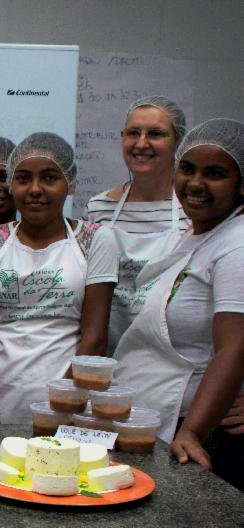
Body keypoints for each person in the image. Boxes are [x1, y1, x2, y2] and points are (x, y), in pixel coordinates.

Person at [114, 119, 244, 491]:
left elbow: (233, 347)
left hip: (204, 437)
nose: (196, 183)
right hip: (163, 422)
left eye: (215, 173)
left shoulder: (237, 244)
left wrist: (193, 433)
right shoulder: (194, 236)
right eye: (187, 169)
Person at [0, 132, 118, 424]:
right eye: (23, 178)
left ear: (69, 183)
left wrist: (58, 409)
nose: (35, 189)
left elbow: (95, 339)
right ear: (13, 184)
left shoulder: (95, 239)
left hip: (70, 404)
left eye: (49, 178)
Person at [86, 96, 191, 353]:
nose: (141, 144)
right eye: (133, 133)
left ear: (177, 141)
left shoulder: (193, 209)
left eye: (155, 134)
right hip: (109, 353)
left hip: (172, 352)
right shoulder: (99, 208)